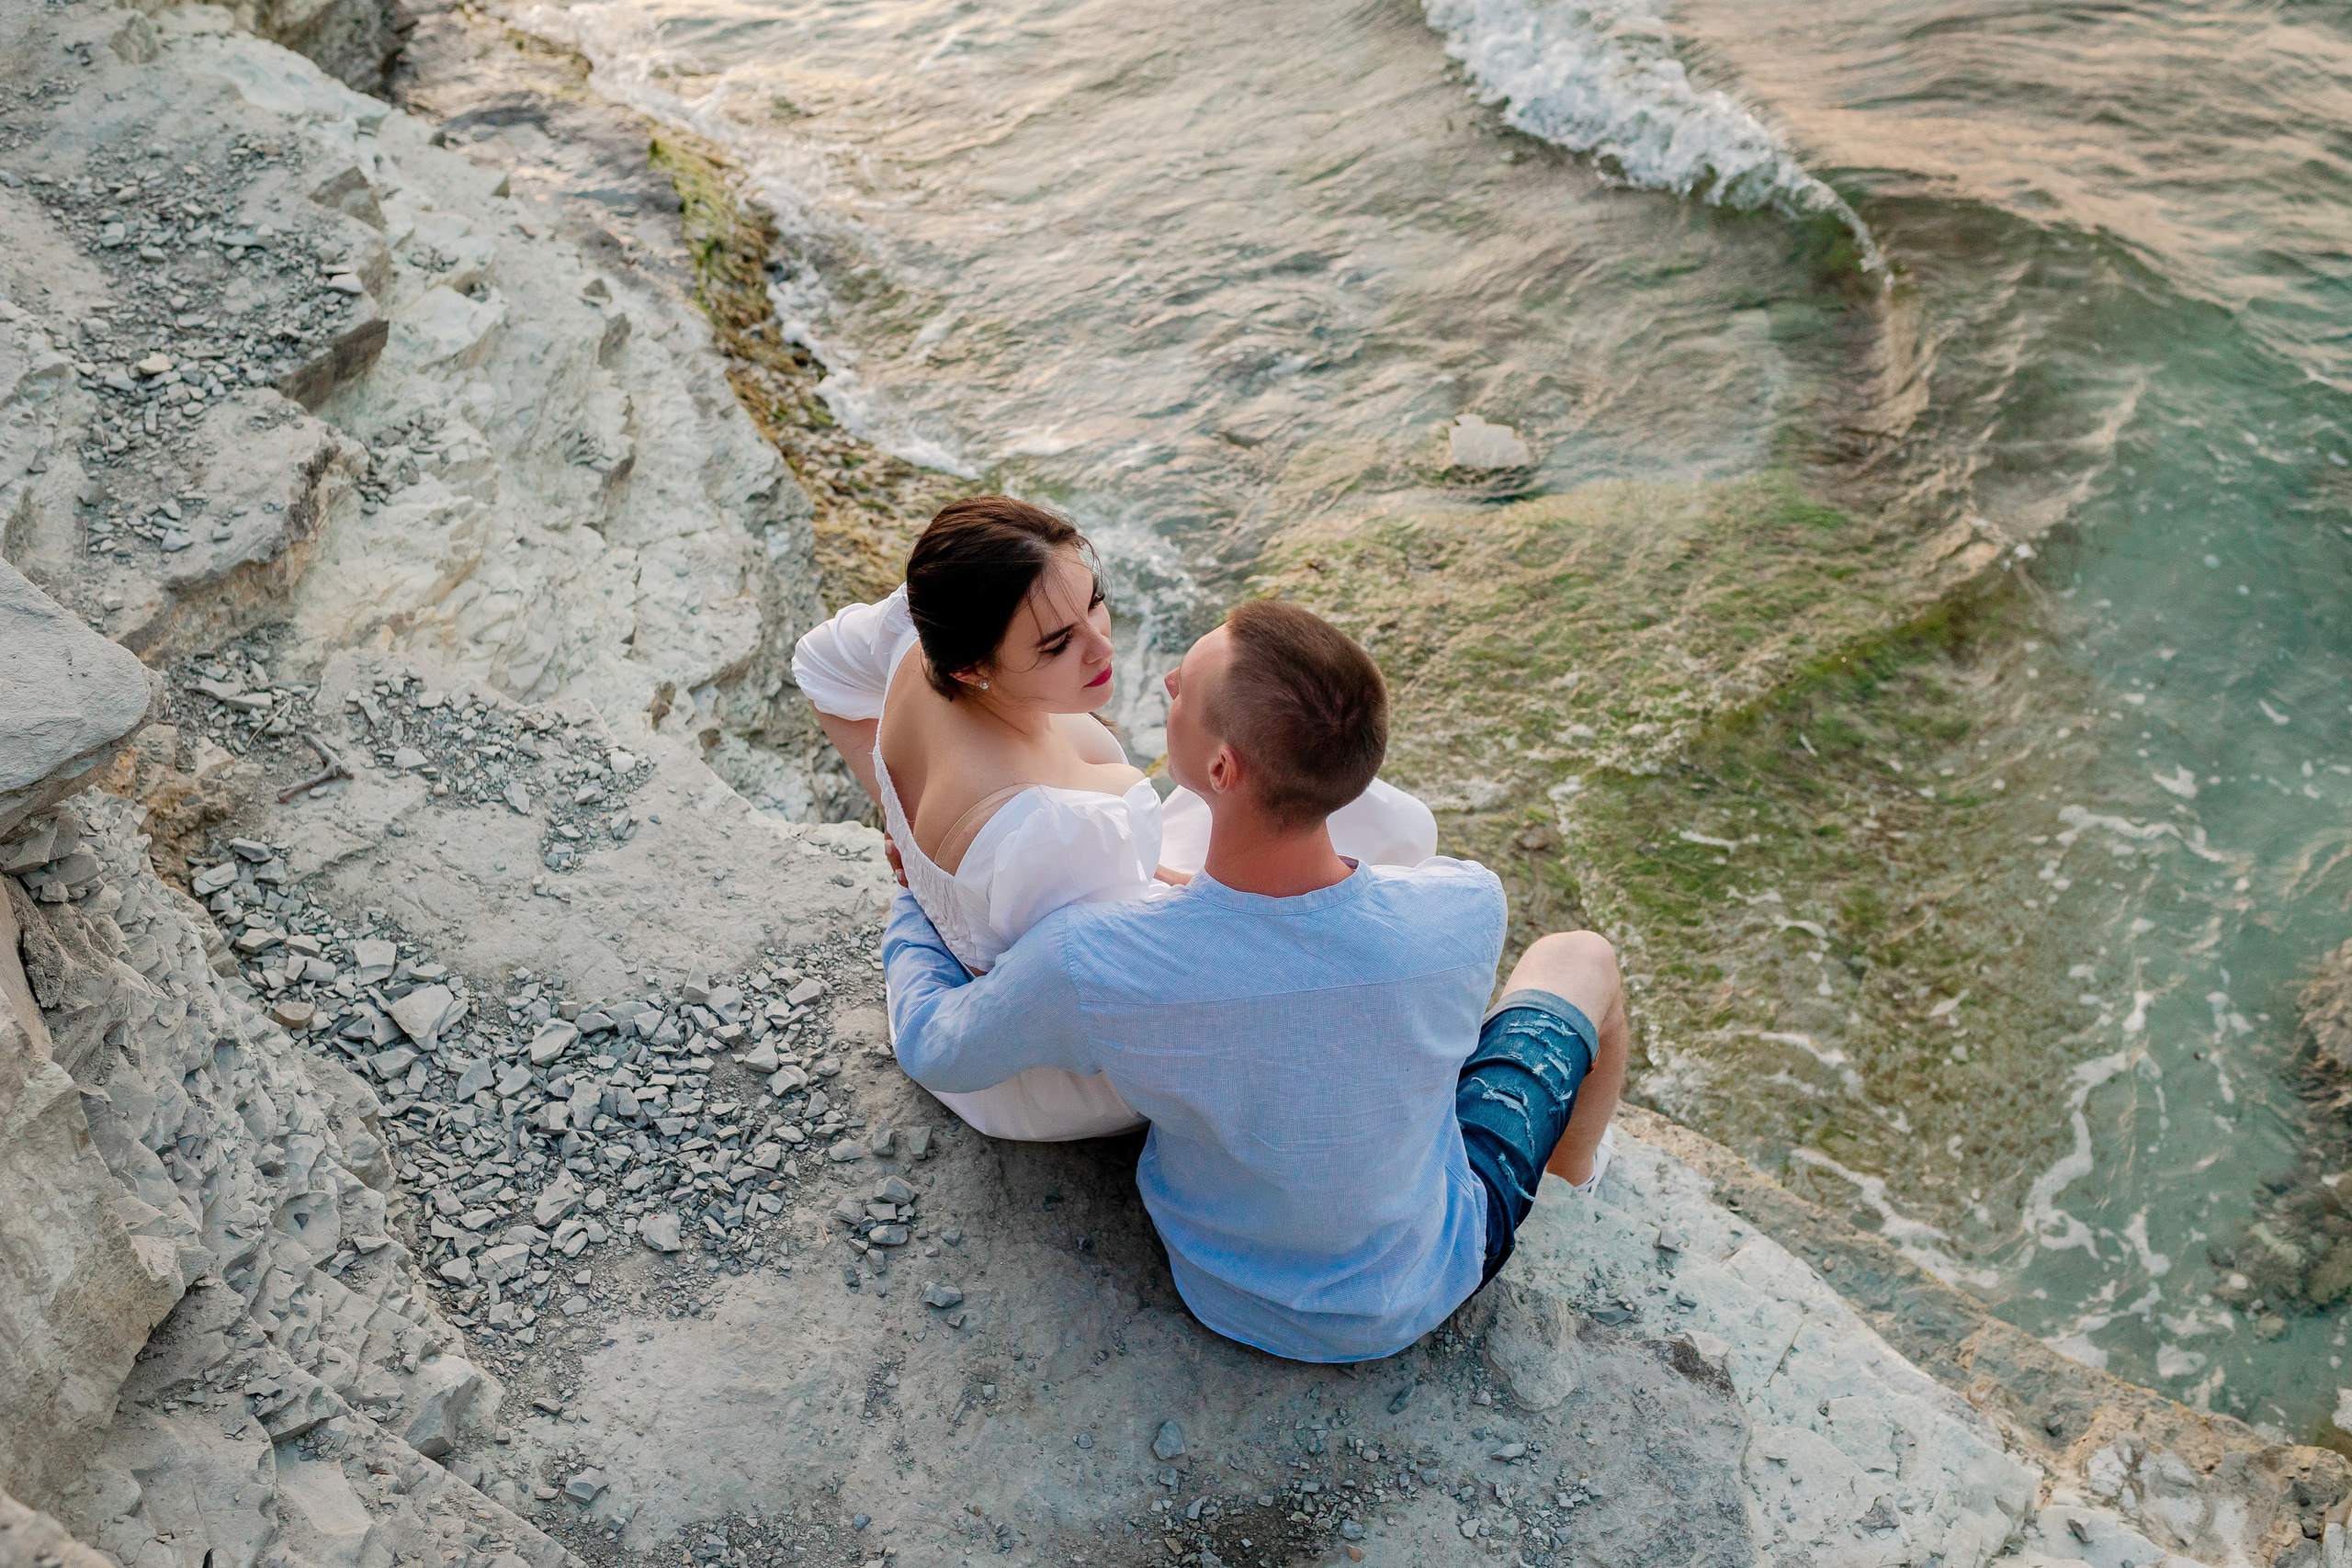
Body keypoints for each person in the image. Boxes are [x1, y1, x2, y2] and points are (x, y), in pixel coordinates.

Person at [884, 597, 1627, 1363]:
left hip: (1223, 1289)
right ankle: (1570, 1167)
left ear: (1221, 770)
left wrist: (913, 900)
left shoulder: (1098, 958)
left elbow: (937, 1047)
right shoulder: (1465, 905)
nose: (1167, 680)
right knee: (1583, 957)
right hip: (1424, 1282)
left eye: (1184, 688)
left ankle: (1560, 1167)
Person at [791, 496, 1437, 1141]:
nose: (1102, 645)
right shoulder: (1052, 836)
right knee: (1375, 834)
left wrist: (896, 803)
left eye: (1094, 601)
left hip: (1078, 913)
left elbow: (819, 666)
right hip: (1061, 1064)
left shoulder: (916, 624)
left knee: (1354, 804)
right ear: (970, 667)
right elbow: (1135, 983)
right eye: (1057, 643)